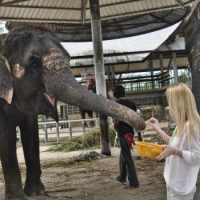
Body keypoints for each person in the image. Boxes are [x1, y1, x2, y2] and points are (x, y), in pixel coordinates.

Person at [147, 83, 200, 200]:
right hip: (173, 183)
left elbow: (197, 156)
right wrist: (158, 129)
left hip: (182, 188)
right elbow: (173, 143)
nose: (169, 107)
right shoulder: (181, 125)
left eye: (170, 102)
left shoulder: (192, 128)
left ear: (179, 104)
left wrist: (175, 151)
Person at [113, 85, 139, 189]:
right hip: (130, 132)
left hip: (123, 132)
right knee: (123, 154)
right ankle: (122, 177)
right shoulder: (132, 103)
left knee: (127, 158)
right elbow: (135, 120)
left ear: (115, 94)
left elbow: (117, 121)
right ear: (124, 93)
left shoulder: (116, 104)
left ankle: (134, 182)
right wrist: (139, 134)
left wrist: (115, 128)